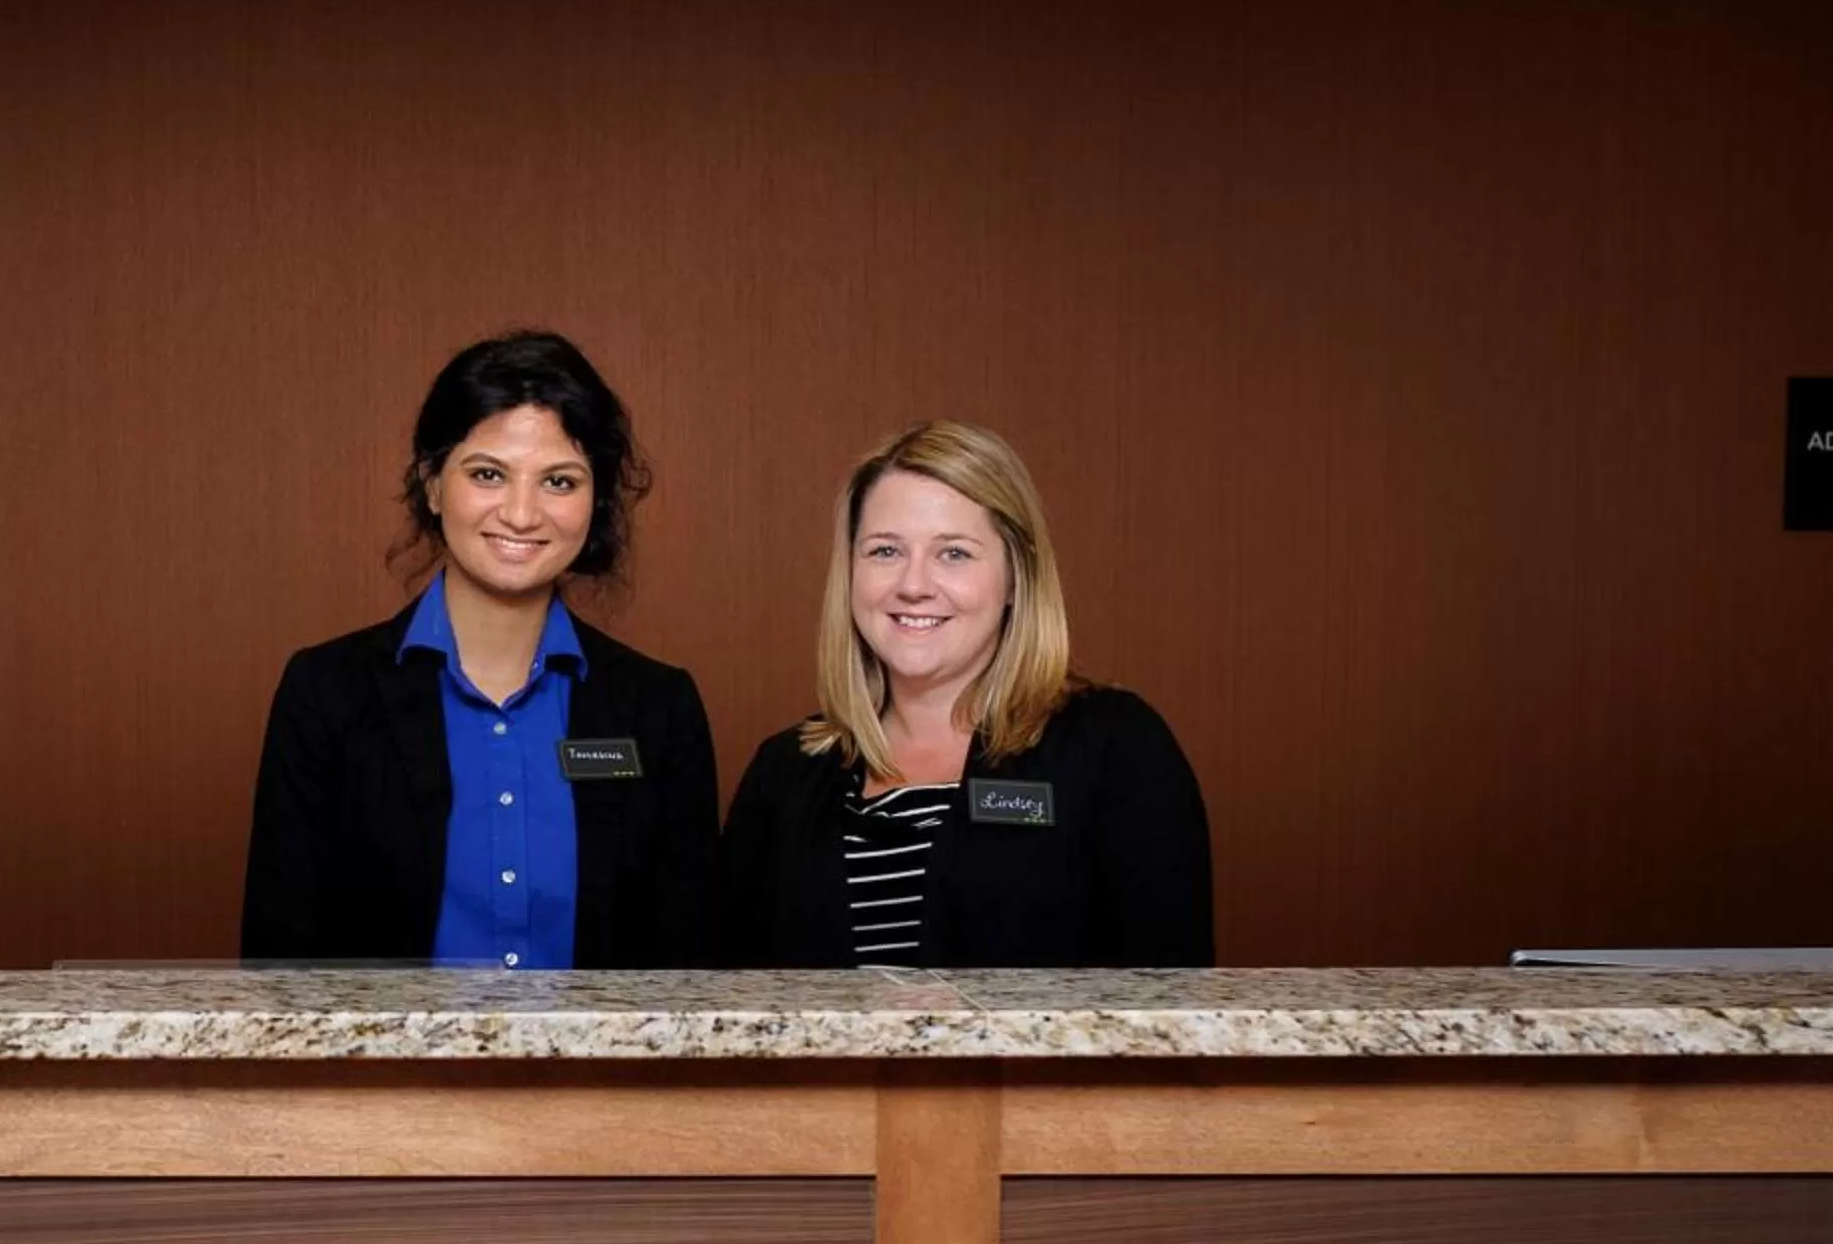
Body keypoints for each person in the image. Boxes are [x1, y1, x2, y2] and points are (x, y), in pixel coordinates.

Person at [242, 332, 717, 968]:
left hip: (597, 1071)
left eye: (559, 480)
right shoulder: (326, 693)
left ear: (596, 502)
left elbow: (688, 971)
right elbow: (279, 963)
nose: (521, 514)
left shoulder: (659, 709)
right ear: (433, 485)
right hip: (385, 1070)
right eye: (489, 474)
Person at [718, 421, 1212, 966]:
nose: (913, 584)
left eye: (953, 554)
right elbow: (736, 1012)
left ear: (1016, 576)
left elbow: (1170, 1009)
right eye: (885, 551)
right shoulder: (786, 771)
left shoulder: (1115, 748)